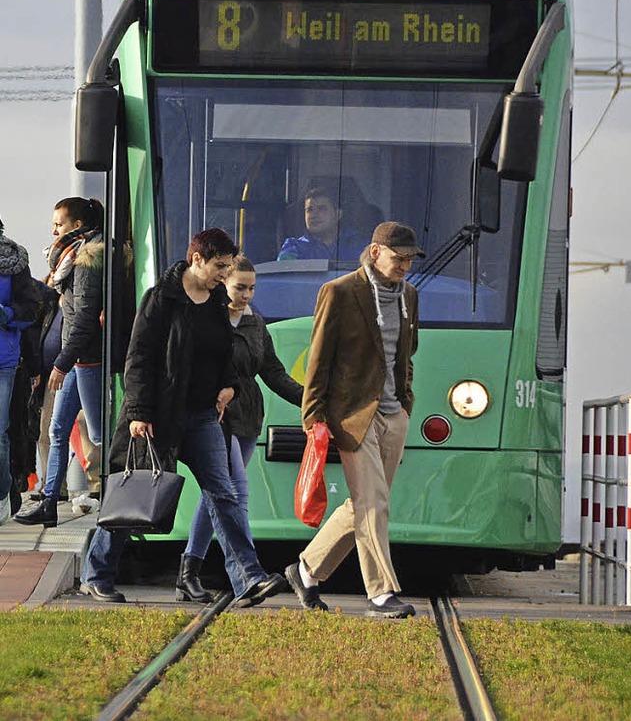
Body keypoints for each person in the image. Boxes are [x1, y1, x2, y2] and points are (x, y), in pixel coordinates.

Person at [79, 228, 287, 605]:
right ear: (196, 260)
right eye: (219, 267)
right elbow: (138, 358)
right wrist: (139, 413)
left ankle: (249, 578)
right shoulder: (162, 299)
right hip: (157, 415)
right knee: (137, 492)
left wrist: (230, 387)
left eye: (227, 267)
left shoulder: (216, 301)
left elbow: (226, 353)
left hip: (204, 414)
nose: (224, 274)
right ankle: (97, 574)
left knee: (222, 492)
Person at [285, 221, 423, 619]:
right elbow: (319, 359)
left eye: (411, 260)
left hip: (394, 415)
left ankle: (307, 569)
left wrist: (406, 402)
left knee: (364, 504)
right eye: (399, 259)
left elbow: (405, 354)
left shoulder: (409, 296)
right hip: (352, 417)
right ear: (375, 251)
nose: (405, 267)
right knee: (373, 503)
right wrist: (312, 415)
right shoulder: (340, 292)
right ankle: (381, 595)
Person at [177, 254, 303, 602]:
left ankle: (188, 573)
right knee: (235, 490)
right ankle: (248, 577)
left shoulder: (255, 322)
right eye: (239, 287)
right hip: (214, 416)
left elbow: (273, 371)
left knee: (216, 494)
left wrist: (310, 401)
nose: (246, 295)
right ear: (223, 283)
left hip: (247, 416)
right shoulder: (207, 317)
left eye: (251, 288)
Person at [15, 197, 104, 528]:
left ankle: (110, 495)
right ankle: (49, 501)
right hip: (75, 360)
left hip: (86, 361)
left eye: (59, 224)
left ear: (77, 227)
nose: (53, 230)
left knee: (97, 431)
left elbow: (82, 317)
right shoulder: (71, 259)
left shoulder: (87, 260)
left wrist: (61, 363)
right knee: (56, 428)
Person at [0, 217, 40, 525]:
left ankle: (2, 496)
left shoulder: (14, 262)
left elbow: (32, 309)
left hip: (4, 361)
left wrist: (7, 314)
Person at [277, 179, 364, 262]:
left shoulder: (360, 246)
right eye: (309, 209)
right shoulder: (293, 247)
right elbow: (283, 273)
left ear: (338, 215)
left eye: (321, 208)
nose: (313, 215)